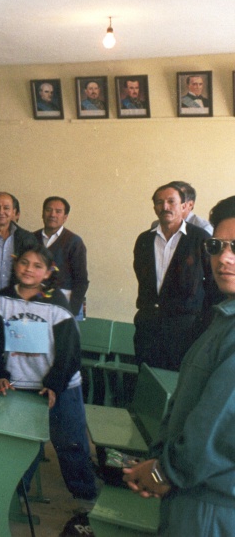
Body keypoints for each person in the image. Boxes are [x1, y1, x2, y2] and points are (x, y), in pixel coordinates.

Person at [123, 195, 235, 534]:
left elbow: (216, 425)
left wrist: (164, 472)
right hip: (191, 493)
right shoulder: (222, 320)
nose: (224, 258)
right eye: (217, 246)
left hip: (211, 504)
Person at [0, 247, 97, 519]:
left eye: (37, 266)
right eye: (24, 263)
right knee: (23, 446)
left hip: (59, 387)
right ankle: (15, 498)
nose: (29, 269)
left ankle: (86, 498)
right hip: (19, 386)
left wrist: (55, 384)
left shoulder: (56, 303)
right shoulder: (0, 301)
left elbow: (70, 351)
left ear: (48, 273)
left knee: (71, 442)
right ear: (15, 265)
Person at [132, 183, 215, 371]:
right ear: (154, 208)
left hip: (185, 329)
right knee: (147, 381)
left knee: (176, 385)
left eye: (171, 201)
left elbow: (212, 284)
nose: (165, 207)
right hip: (148, 328)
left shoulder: (201, 238)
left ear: (184, 206)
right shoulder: (144, 240)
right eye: (160, 202)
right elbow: (143, 279)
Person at [38, 196, 89, 319]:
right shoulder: (30, 238)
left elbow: (81, 280)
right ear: (42, 213)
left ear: (65, 217)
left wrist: (71, 311)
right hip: (36, 302)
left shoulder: (74, 242)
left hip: (63, 304)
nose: (52, 214)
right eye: (48, 210)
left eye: (58, 211)